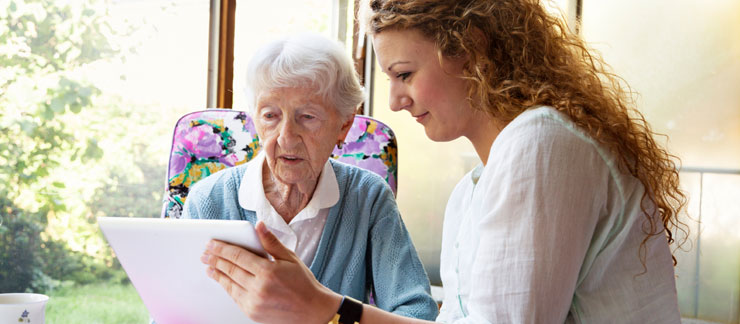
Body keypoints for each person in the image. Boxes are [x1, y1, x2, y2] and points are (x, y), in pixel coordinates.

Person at [200, 1, 688, 323]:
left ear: (469, 49)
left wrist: (327, 311)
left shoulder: (540, 146)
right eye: (269, 115)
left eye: (404, 73)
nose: (393, 102)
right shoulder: (471, 192)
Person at [184, 33, 438, 322]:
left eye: (308, 117)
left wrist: (328, 311)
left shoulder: (368, 198)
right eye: (270, 116)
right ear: (255, 119)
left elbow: (418, 314)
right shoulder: (208, 201)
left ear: (344, 125)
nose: (287, 138)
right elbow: (173, 311)